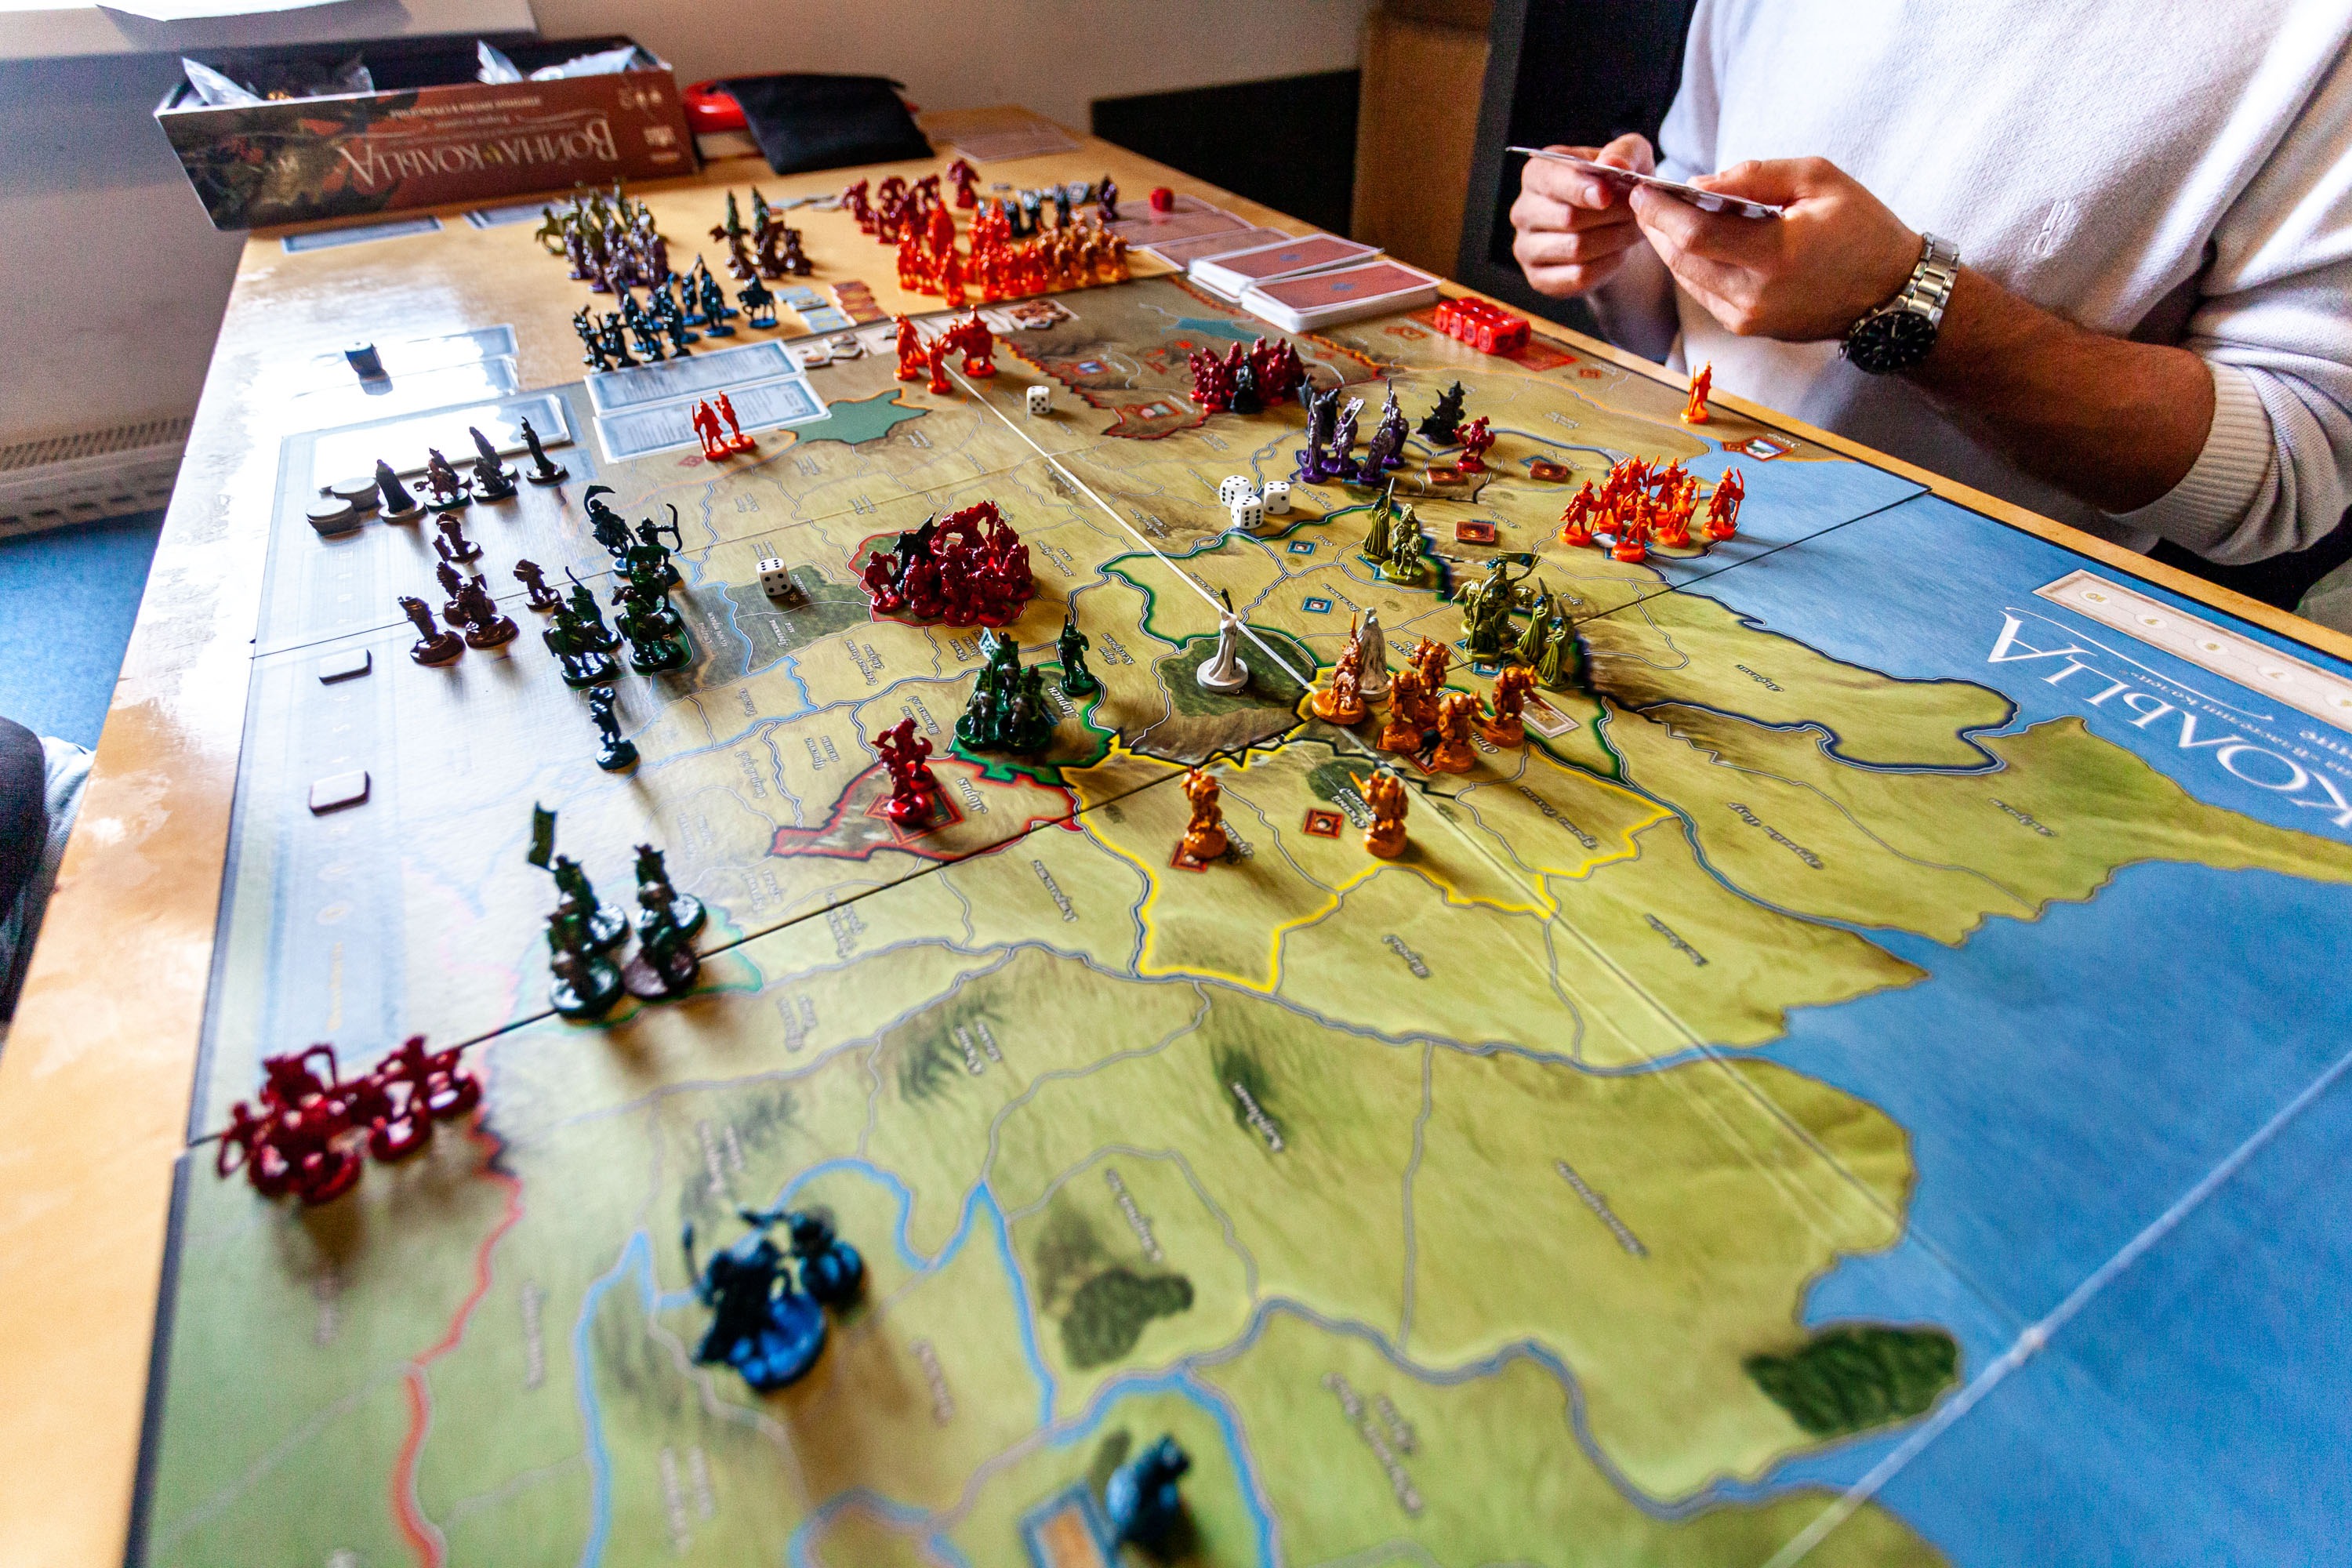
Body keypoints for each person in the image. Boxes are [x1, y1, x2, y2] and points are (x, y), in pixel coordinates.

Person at [1508, 2, 2352, 611]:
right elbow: (1696, 274)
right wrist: (1616, 246)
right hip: (1660, 523)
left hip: (1956, 624)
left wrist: (1903, 302)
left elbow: (2285, 473)